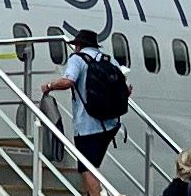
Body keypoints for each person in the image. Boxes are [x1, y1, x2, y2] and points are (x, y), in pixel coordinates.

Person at [39, 28, 129, 176]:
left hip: (86, 125)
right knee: (93, 167)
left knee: (86, 169)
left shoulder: (77, 59)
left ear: (79, 45)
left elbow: (68, 81)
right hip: (110, 124)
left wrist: (49, 86)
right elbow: (124, 89)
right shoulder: (109, 60)